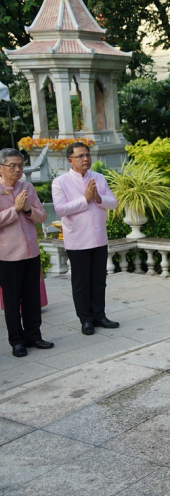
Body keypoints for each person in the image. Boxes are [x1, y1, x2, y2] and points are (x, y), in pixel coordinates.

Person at [52, 142, 119, 336]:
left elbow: (113, 202)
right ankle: (86, 319)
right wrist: (85, 199)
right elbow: (60, 209)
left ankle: (100, 315)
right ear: (70, 160)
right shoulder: (60, 182)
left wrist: (98, 198)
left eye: (88, 155)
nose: (86, 159)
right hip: (77, 240)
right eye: (81, 156)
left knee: (99, 279)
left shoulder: (98, 177)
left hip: (99, 238)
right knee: (81, 282)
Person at [0, 148, 53, 357]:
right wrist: (15, 209)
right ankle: (17, 341)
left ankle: (34, 335)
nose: (17, 169)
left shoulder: (27, 187)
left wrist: (27, 210)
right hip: (8, 255)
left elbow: (41, 217)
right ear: (1, 168)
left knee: (32, 297)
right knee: (12, 301)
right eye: (12, 165)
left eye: (20, 165)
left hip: (31, 252)